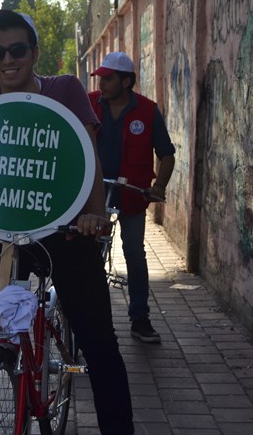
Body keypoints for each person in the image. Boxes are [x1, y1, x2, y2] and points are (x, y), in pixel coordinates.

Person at [0, 10, 134, 434]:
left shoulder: (65, 89)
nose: (7, 59)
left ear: (34, 53)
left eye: (17, 50)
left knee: (98, 342)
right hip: (6, 234)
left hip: (66, 231)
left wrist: (94, 214)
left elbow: (87, 155)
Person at [90, 51, 175, 343]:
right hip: (95, 193)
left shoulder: (148, 111)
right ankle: (87, 318)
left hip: (132, 195)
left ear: (126, 82)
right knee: (89, 253)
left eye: (108, 78)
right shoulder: (89, 104)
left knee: (135, 255)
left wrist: (159, 186)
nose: (101, 84)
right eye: (100, 78)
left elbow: (166, 154)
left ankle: (140, 318)